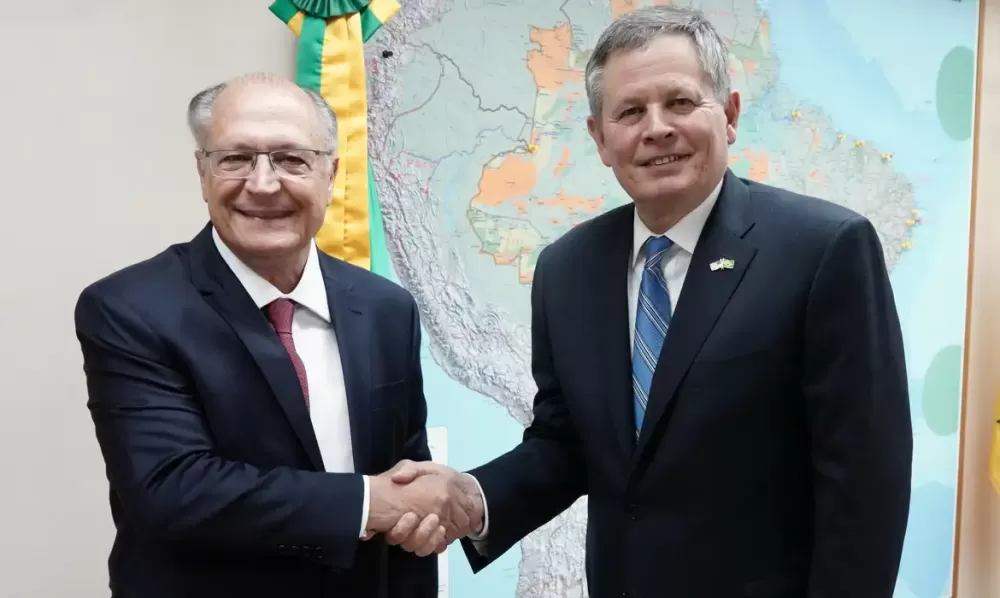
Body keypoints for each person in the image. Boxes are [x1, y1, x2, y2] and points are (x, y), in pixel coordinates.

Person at [387, 6, 914, 597]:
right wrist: (472, 497)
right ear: (600, 138)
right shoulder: (567, 269)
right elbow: (568, 444)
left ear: (731, 114)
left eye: (681, 103)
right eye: (631, 111)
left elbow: (865, 487)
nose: (657, 127)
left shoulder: (823, 251)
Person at [74, 73, 480, 598]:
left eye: (291, 159)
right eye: (236, 158)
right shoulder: (128, 309)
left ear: (331, 174)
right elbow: (173, 490)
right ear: (202, 172)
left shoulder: (386, 308)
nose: (263, 184)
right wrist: (370, 502)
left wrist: (424, 511)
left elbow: (408, 479)